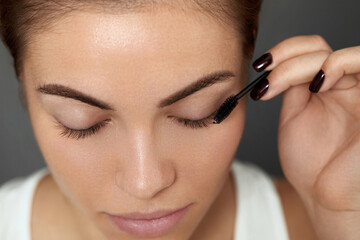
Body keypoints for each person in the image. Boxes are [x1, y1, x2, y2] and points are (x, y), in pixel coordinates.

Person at [0, 0, 359, 239]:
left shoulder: (319, 225)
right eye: (82, 122)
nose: (146, 183)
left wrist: (346, 219)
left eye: (197, 113)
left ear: (246, 55)